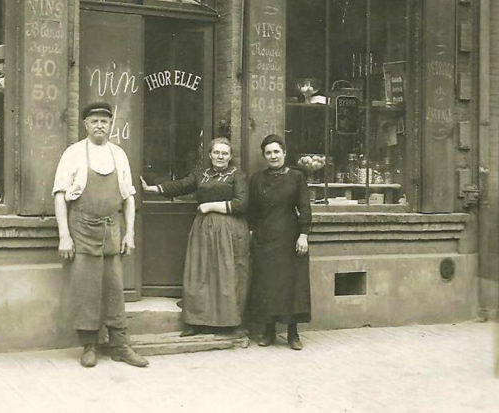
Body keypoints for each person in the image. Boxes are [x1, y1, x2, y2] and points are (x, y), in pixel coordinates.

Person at [52, 101, 149, 368]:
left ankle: (119, 345)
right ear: (85, 125)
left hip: (112, 229)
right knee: (86, 287)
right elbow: (60, 195)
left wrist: (130, 233)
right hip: (82, 229)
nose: (99, 126)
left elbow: (129, 197)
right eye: (94, 121)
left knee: (114, 287)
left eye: (104, 121)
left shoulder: (119, 154)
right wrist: (64, 235)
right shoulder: (73, 154)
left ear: (110, 125)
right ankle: (89, 344)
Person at [141, 137, 250, 341]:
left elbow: (241, 204)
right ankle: (196, 322)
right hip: (203, 230)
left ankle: (227, 323)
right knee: (200, 273)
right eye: (216, 152)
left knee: (226, 275)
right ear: (209, 155)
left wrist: (210, 206)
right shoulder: (202, 174)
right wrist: (153, 189)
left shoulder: (237, 176)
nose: (220, 156)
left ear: (231, 156)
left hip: (229, 230)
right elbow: (181, 185)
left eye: (224, 153)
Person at [247, 134, 312, 350]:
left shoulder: (297, 177)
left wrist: (304, 234)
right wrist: (251, 232)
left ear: (284, 152)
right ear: (264, 156)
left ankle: (293, 334)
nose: (273, 156)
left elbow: (304, 207)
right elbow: (252, 211)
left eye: (276, 151)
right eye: (268, 153)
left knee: (292, 285)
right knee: (267, 285)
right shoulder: (257, 179)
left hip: (290, 238)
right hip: (264, 238)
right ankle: (269, 331)